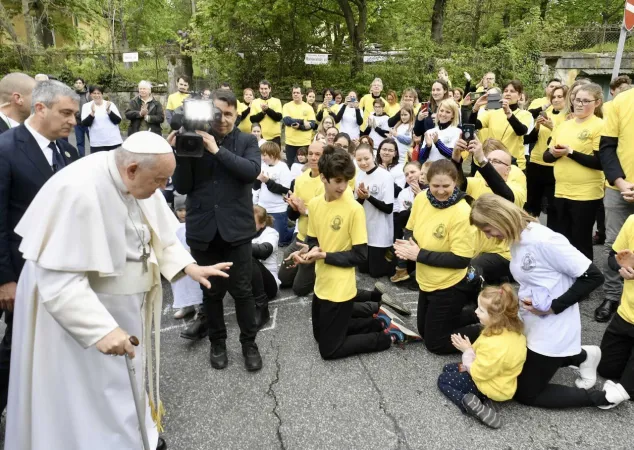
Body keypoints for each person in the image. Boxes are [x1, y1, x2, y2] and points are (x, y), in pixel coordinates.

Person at [5, 131, 231, 450]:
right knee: (90, 392)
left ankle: (134, 437)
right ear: (132, 169)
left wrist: (188, 266)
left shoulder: (138, 179)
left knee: (124, 382)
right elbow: (58, 278)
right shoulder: (78, 190)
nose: (162, 189)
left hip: (123, 308)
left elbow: (156, 236)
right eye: (159, 180)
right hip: (81, 320)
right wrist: (101, 329)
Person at [469, 194, 627, 410]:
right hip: (532, 318)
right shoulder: (517, 237)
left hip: (554, 323)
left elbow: (593, 276)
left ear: (500, 219)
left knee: (526, 393)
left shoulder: (544, 240)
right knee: (516, 368)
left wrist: (554, 307)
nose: (488, 236)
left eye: (488, 230)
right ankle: (583, 356)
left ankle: (603, 397)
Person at [288, 146, 420, 360]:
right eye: (338, 181)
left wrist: (325, 256)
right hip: (322, 283)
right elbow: (314, 239)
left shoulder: (353, 209)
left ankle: (388, 337)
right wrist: (310, 249)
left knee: (329, 350)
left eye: (347, 180)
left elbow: (360, 256)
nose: (343, 186)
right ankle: (378, 320)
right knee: (319, 336)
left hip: (341, 288)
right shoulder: (315, 205)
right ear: (324, 178)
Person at [0, 79, 78, 416]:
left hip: (59, 267)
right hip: (19, 270)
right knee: (14, 346)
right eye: (66, 113)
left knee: (47, 345)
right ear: (40, 108)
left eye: (75, 114)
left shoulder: (67, 150)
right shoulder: (5, 149)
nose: (73, 121)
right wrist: (5, 278)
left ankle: (42, 413)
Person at [171, 89, 263, 371]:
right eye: (217, 113)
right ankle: (217, 343)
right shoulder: (193, 139)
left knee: (242, 292)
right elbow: (183, 186)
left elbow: (250, 171)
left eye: (228, 114)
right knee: (210, 294)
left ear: (237, 114)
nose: (222, 119)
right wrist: (182, 152)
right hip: (203, 230)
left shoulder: (247, 141)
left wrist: (216, 150)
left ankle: (249, 344)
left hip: (236, 231)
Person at [394, 160, 480, 354]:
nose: (440, 191)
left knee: (436, 344)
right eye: (435, 186)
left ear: (455, 182)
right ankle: (475, 315)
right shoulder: (422, 198)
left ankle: (486, 329)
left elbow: (461, 260)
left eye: (446, 186)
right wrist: (408, 244)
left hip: (450, 284)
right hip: (426, 280)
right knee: (425, 332)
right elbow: (409, 229)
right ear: (427, 182)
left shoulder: (462, 212)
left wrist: (418, 254)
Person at [439, 284, 526, 429]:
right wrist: (470, 349)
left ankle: (474, 405)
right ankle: (489, 401)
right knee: (448, 368)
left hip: (490, 384)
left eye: (481, 310)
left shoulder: (494, 344)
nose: (476, 311)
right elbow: (485, 358)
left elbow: (479, 373)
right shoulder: (513, 333)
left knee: (444, 380)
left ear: (496, 317)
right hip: (502, 381)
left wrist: (467, 351)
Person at [543, 83, 604, 261]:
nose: (579, 104)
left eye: (586, 101)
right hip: (561, 191)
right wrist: (553, 153)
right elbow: (547, 157)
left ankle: (585, 279)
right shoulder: (563, 126)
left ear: (597, 102)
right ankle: (565, 278)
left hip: (586, 194)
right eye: (577, 100)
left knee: (581, 240)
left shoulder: (600, 126)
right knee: (562, 239)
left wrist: (571, 152)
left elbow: (600, 162)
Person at [452, 138, 526, 284]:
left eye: (496, 162)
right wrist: (456, 159)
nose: (490, 163)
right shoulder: (478, 181)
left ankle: (471, 302)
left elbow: (506, 196)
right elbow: (458, 184)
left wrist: (482, 160)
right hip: (477, 248)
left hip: (503, 253)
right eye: (488, 160)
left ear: (508, 169)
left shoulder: (516, 187)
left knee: (472, 269)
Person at [598, 85, 634, 322]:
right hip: (619, 189)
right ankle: (613, 296)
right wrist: (621, 183)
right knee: (614, 245)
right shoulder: (622, 101)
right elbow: (607, 147)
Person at [278, 141, 325, 296]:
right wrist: (293, 207)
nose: (313, 157)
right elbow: (293, 216)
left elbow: (327, 216)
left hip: (317, 240)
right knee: (283, 280)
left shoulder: (328, 181)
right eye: (310, 153)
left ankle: (321, 266)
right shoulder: (301, 179)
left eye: (318, 154)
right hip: (301, 236)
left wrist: (305, 210)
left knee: (299, 289)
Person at [598, 214, 634, 405]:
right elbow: (613, 257)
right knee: (606, 370)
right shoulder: (632, 221)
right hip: (626, 315)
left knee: (629, 391)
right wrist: (621, 265)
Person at [524, 85, 568, 221]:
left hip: (555, 166)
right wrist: (537, 126)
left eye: (560, 96)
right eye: (553, 97)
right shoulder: (546, 113)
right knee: (531, 202)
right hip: (536, 161)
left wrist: (552, 127)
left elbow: (565, 140)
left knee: (553, 206)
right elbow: (528, 140)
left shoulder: (569, 117)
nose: (555, 100)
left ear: (567, 98)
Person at [468, 80, 533, 171]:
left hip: (513, 164)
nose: (508, 93)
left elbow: (521, 131)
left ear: (519, 96)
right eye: (506, 91)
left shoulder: (525, 114)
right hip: (491, 162)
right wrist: (475, 108)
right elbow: (473, 125)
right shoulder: (492, 113)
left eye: (512, 91)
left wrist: (509, 114)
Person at [354, 143, 394, 278]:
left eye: (366, 158)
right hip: (364, 232)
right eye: (359, 160)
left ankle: (395, 262)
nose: (363, 163)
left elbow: (388, 208)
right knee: (363, 270)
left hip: (380, 232)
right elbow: (356, 205)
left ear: (373, 156)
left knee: (376, 273)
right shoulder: (359, 176)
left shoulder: (385, 176)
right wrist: (361, 198)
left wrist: (369, 197)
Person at [391, 161, 427, 283]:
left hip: (427, 227)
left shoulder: (431, 189)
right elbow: (402, 218)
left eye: (413, 172)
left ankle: (404, 270)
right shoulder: (404, 193)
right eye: (407, 174)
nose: (410, 176)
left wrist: (422, 197)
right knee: (405, 234)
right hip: (411, 228)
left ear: (421, 172)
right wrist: (417, 202)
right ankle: (401, 270)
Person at [255, 141, 293, 246]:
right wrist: (257, 180)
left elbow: (284, 190)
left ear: (273, 154)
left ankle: (296, 230)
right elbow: (256, 187)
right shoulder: (263, 166)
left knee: (281, 240)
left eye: (264, 155)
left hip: (277, 208)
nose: (262, 158)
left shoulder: (283, 167)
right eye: (261, 155)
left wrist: (267, 181)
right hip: (263, 207)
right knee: (263, 237)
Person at [172, 196, 202, 320]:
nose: (183, 213)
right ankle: (185, 305)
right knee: (180, 284)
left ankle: (199, 307)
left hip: (193, 259)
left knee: (195, 284)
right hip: (178, 261)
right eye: (179, 210)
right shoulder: (173, 225)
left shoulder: (196, 222)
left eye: (185, 209)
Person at [252, 205, 281, 327]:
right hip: (248, 285)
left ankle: (262, 309)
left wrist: (239, 246)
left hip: (269, 286)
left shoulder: (271, 233)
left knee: (246, 257)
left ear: (262, 224)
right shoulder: (241, 232)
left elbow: (264, 251)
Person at [80, 85, 123, 153]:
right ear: (90, 94)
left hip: (114, 141)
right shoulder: (86, 106)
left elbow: (117, 121)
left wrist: (109, 111)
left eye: (98, 93)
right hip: (97, 143)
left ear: (102, 94)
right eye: (94, 93)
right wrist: (92, 113)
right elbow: (85, 124)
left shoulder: (110, 104)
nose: (97, 95)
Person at [417, 98, 461, 163]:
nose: (443, 114)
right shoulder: (430, 131)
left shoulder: (457, 132)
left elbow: (453, 155)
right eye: (441, 111)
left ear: (453, 115)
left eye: (448, 112)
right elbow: (421, 158)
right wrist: (428, 146)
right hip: (430, 170)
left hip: (446, 170)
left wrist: (437, 142)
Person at [282, 85, 316, 167]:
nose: (295, 94)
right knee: (291, 166)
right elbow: (287, 121)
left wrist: (300, 127)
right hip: (291, 143)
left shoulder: (308, 107)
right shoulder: (287, 106)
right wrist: (303, 121)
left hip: (304, 143)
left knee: (304, 167)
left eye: (298, 93)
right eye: (294, 93)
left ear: (302, 95)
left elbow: (312, 124)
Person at [250, 80, 283, 146]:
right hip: (260, 137)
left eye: (266, 89)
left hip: (274, 137)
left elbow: (278, 117)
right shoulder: (254, 102)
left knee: (275, 156)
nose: (264, 91)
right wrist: (262, 113)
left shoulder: (277, 101)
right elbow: (253, 120)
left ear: (270, 89)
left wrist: (268, 110)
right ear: (259, 89)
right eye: (262, 89)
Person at [73, 77, 91, 156]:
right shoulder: (72, 95)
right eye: (76, 83)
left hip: (88, 122)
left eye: (80, 83)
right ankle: (81, 158)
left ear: (83, 85)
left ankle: (94, 158)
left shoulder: (88, 95)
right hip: (77, 123)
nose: (78, 85)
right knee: (79, 143)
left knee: (92, 141)